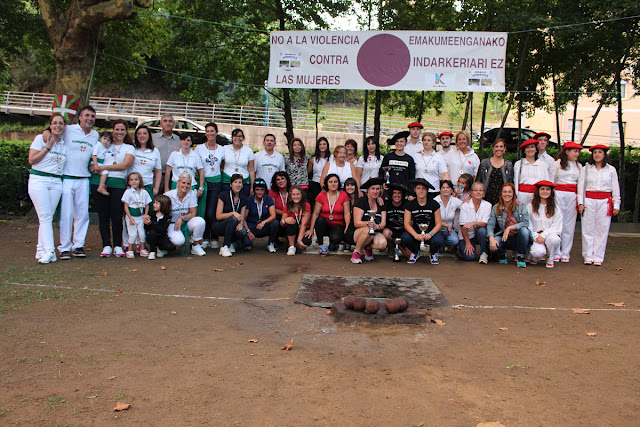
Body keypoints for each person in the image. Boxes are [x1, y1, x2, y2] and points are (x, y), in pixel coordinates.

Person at [44, 105, 98, 260]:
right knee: (66, 214)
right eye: (86, 115)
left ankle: (78, 245)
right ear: (80, 117)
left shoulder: (95, 135)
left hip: (84, 179)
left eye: (92, 116)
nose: (89, 119)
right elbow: (53, 130)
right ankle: (64, 247)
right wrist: (45, 132)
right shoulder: (69, 129)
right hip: (67, 178)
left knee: (82, 214)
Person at [91, 119, 135, 258]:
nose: (119, 132)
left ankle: (117, 245)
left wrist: (102, 167)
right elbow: (94, 161)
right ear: (113, 130)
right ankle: (106, 245)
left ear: (126, 131)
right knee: (103, 216)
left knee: (117, 216)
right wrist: (94, 167)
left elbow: (123, 165)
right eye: (117, 129)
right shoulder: (104, 145)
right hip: (100, 183)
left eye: (122, 130)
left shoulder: (129, 147)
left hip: (118, 184)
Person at [28, 113, 67, 264]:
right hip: (40, 180)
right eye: (55, 123)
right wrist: (47, 148)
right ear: (50, 125)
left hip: (56, 182)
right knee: (45, 217)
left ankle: (40, 249)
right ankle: (50, 251)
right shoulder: (41, 139)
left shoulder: (63, 143)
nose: (58, 126)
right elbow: (32, 160)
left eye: (61, 123)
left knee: (46, 217)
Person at [577, 145, 620, 266]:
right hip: (589, 200)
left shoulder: (611, 170)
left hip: (604, 201)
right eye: (595, 152)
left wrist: (616, 204)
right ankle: (588, 255)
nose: (597, 155)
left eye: (600, 152)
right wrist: (580, 203)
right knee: (587, 228)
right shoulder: (586, 169)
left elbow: (615, 188)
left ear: (604, 154)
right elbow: (581, 187)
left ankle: (598, 256)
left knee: (602, 229)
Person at [193, 122, 225, 249]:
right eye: (207, 131)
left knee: (213, 211)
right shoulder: (199, 148)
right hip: (203, 183)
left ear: (216, 132)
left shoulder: (222, 149)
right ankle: (205, 237)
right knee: (204, 211)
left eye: (212, 131)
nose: (210, 133)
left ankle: (215, 237)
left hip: (217, 182)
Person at [487, 183, 530, 268]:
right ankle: (502, 254)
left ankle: (521, 256)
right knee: (493, 243)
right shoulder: (496, 207)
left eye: (509, 192)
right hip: (504, 237)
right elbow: (490, 225)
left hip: (519, 237)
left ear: (513, 194)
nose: (507, 194)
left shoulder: (521, 206)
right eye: (505, 192)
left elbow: (526, 222)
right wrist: (491, 238)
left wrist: (510, 227)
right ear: (501, 194)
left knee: (525, 231)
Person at [553, 141, 583, 263]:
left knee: (569, 225)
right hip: (558, 195)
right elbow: (552, 181)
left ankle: (565, 252)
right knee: (557, 222)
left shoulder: (579, 166)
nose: (577, 154)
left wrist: (580, 202)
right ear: (567, 152)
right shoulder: (557, 164)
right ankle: (555, 251)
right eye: (575, 151)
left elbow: (580, 185)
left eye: (578, 152)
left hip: (572, 196)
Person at [402, 178, 443, 264]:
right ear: (415, 190)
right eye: (418, 188)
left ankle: (433, 253)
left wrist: (430, 234)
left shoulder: (434, 204)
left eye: (423, 189)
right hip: (416, 231)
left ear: (427, 190)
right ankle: (416, 252)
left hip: (430, 231)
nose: (421, 191)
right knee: (405, 238)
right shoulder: (409, 204)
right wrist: (415, 235)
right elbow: (406, 224)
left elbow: (439, 223)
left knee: (438, 240)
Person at [164, 172, 207, 256]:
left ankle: (196, 245)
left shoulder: (191, 194)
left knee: (200, 221)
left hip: (185, 222)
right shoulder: (168, 195)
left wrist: (181, 218)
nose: (186, 185)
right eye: (183, 183)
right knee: (179, 241)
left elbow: (193, 213)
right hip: (171, 224)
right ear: (178, 182)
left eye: (188, 184)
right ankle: (164, 244)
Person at [308, 174, 351, 255]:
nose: (333, 184)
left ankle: (333, 243)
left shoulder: (343, 195)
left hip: (338, 225)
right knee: (319, 220)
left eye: (335, 181)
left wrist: (347, 226)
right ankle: (321, 245)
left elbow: (347, 213)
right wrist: (311, 229)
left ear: (338, 183)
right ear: (326, 184)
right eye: (330, 182)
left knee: (335, 240)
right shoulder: (321, 195)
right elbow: (315, 213)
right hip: (325, 224)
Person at [350, 178, 387, 264]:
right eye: (373, 189)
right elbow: (356, 223)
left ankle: (368, 248)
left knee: (382, 244)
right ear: (368, 190)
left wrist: (377, 226)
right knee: (368, 231)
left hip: (374, 231)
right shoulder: (361, 202)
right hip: (358, 232)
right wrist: (368, 224)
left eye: (377, 189)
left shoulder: (381, 203)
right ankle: (356, 252)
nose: (375, 191)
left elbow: (383, 223)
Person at [214, 173, 251, 257]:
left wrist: (241, 224)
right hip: (220, 225)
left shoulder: (244, 198)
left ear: (242, 185)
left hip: (235, 225)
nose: (238, 184)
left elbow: (241, 217)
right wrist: (233, 213)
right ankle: (225, 246)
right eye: (235, 182)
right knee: (233, 219)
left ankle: (232, 242)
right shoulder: (223, 195)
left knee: (243, 233)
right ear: (231, 184)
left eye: (240, 182)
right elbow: (218, 216)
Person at [528, 181, 562, 268]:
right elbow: (528, 223)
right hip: (536, 236)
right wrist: (536, 236)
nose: (545, 191)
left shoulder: (555, 208)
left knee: (555, 239)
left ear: (551, 192)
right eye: (542, 189)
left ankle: (551, 258)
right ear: (538, 191)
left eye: (548, 189)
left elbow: (556, 226)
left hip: (548, 235)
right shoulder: (531, 206)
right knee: (537, 252)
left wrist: (544, 235)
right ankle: (535, 257)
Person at [458, 182, 491, 263]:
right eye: (475, 190)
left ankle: (484, 253)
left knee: (482, 231)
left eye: (480, 190)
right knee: (470, 257)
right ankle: (460, 250)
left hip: (479, 233)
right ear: (471, 193)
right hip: (467, 235)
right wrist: (468, 243)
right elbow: (463, 227)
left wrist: (474, 223)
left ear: (484, 193)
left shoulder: (488, 205)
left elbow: (484, 223)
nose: (478, 192)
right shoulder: (465, 205)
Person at [121, 172, 152, 258]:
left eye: (136, 179)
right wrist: (130, 217)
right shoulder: (128, 192)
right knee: (133, 234)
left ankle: (142, 249)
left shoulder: (144, 192)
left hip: (141, 217)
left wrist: (145, 215)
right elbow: (126, 206)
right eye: (131, 180)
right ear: (128, 182)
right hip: (132, 216)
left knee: (142, 234)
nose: (134, 182)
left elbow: (147, 204)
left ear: (140, 181)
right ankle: (130, 250)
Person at [244, 179, 279, 252]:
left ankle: (271, 243)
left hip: (263, 225)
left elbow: (273, 215)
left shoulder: (268, 199)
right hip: (252, 226)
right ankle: (240, 241)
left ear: (265, 190)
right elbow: (244, 218)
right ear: (254, 190)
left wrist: (263, 222)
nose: (260, 192)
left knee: (275, 223)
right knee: (247, 244)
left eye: (262, 190)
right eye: (257, 190)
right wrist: (248, 231)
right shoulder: (249, 200)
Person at [476, 138, 514, 206]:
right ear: (493, 149)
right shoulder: (484, 163)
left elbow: (511, 183)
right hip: (486, 197)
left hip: (503, 198)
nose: (499, 149)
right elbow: (478, 180)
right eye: (496, 146)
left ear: (505, 149)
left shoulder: (508, 165)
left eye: (501, 146)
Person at [514, 139, 550, 206]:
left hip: (537, 195)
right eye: (527, 147)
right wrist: (515, 197)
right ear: (524, 151)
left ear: (536, 149)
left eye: (532, 147)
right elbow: (516, 181)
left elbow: (546, 182)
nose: (530, 149)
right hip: (522, 195)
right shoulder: (519, 164)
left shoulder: (543, 164)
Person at [130, 125, 162, 201]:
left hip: (147, 187)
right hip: (132, 187)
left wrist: (156, 188)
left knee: (147, 211)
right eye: (139, 133)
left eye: (145, 133)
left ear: (149, 135)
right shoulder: (131, 148)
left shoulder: (155, 151)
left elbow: (158, 171)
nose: (142, 136)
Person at [414, 132, 449, 198]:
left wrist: (448, 188)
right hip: (419, 191)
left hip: (434, 190)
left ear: (433, 143)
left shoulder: (439, 157)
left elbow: (444, 175)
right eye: (424, 140)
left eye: (429, 140)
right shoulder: (416, 156)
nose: (426, 142)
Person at [222, 128, 255, 197]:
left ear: (243, 138)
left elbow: (251, 170)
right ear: (232, 138)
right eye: (235, 136)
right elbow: (221, 164)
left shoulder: (248, 151)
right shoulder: (225, 148)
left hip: (244, 183)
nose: (238, 138)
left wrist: (252, 186)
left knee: (243, 205)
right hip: (227, 182)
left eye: (240, 136)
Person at [151, 114, 181, 190]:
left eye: (170, 121)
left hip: (173, 176)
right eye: (165, 121)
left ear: (173, 124)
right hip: (156, 175)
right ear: (161, 124)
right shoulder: (153, 138)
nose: (168, 123)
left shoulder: (179, 140)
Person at [382, 183, 411, 261]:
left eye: (399, 193)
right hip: (390, 231)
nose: (397, 195)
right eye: (394, 193)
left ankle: (398, 247)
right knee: (385, 233)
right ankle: (391, 248)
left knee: (409, 255)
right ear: (391, 194)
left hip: (403, 232)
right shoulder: (386, 204)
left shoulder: (407, 205)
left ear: (402, 195)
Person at [281, 185, 313, 255]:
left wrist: (299, 240)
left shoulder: (306, 205)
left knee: (306, 242)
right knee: (290, 221)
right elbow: (281, 223)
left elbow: (304, 224)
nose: (296, 197)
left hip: (303, 229)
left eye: (298, 194)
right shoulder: (288, 205)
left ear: (302, 195)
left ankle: (298, 242)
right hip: (292, 229)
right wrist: (285, 220)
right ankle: (291, 246)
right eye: (293, 194)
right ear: (290, 196)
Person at [434, 180, 462, 252]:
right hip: (436, 228)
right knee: (436, 240)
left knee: (454, 240)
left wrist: (468, 200)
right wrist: (445, 225)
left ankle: (443, 244)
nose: (445, 189)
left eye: (448, 187)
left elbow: (465, 207)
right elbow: (432, 217)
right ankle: (438, 244)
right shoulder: (435, 201)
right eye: (443, 187)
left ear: (452, 190)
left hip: (449, 230)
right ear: (440, 190)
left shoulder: (455, 201)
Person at [143, 194, 173, 260]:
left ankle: (160, 249)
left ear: (163, 205)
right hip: (151, 236)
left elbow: (162, 229)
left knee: (170, 247)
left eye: (156, 203)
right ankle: (152, 251)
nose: (154, 205)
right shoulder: (152, 214)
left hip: (161, 237)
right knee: (152, 232)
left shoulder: (167, 216)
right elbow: (147, 229)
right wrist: (146, 223)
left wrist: (150, 223)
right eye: (154, 203)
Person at [309, 137, 331, 203]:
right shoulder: (313, 159)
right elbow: (308, 171)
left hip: (329, 184)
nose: (322, 146)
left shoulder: (332, 157)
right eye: (320, 144)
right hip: (316, 184)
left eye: (324, 144)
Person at [91, 131, 113, 196]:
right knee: (105, 172)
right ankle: (101, 187)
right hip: (97, 162)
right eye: (104, 138)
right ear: (100, 138)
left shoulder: (104, 147)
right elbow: (94, 155)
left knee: (105, 172)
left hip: (100, 163)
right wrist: (96, 165)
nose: (106, 141)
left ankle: (101, 186)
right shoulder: (98, 145)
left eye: (108, 140)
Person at [342, 177, 359, 251]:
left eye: (352, 185)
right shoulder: (342, 197)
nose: (349, 187)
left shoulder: (360, 198)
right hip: (344, 219)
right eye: (347, 185)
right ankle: (346, 242)